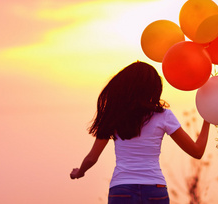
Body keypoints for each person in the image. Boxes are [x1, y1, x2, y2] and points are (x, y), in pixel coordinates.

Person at [70, 61, 210, 203]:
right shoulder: (164, 116)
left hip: (122, 190)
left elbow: (92, 158)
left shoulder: (114, 115)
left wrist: (80, 172)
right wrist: (208, 118)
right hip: (155, 189)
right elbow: (197, 152)